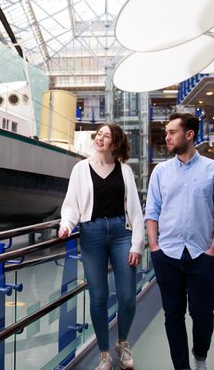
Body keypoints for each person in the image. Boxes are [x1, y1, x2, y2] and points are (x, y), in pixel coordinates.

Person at [144, 113, 214, 370]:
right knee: (173, 316)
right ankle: (181, 367)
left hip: (202, 256)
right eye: (167, 132)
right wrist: (154, 247)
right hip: (167, 255)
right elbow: (152, 211)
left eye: (172, 132)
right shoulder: (160, 172)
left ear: (189, 134)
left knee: (203, 315)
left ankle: (200, 356)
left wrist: (213, 250)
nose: (167, 137)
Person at [58, 123, 144, 370]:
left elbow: (136, 211)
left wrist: (137, 244)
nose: (100, 138)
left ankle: (123, 343)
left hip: (121, 232)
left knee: (127, 296)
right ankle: (105, 353)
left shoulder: (125, 171)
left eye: (106, 136)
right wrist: (66, 225)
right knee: (98, 297)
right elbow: (72, 205)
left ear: (115, 144)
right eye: (99, 134)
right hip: (91, 233)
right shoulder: (80, 169)